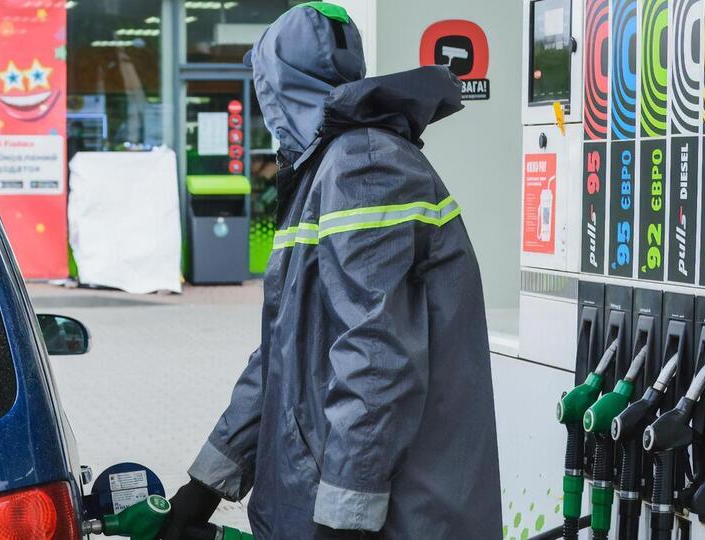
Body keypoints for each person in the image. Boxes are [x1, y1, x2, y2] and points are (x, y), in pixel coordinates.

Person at [163, 3, 502, 538]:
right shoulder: (329, 169)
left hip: (395, 520)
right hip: (328, 506)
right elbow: (281, 353)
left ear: (278, 86)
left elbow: (376, 356)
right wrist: (208, 482)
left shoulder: (363, 164)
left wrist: (346, 520)